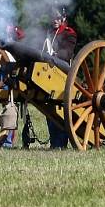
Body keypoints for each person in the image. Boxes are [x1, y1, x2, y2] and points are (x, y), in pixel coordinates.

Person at [43, 8, 77, 148]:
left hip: (62, 74)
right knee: (49, 109)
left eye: (57, 17)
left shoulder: (69, 34)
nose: (55, 20)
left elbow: (66, 54)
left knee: (61, 110)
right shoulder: (49, 33)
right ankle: (54, 141)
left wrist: (53, 55)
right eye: (53, 17)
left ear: (63, 18)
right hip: (47, 74)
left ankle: (61, 143)